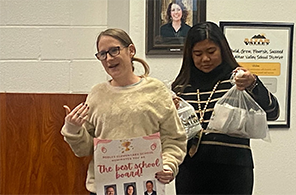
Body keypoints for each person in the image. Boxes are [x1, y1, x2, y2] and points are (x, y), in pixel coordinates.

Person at [61, 28, 187, 195]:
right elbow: (86, 149)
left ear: (131, 50)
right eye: (102, 54)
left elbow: (174, 138)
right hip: (105, 189)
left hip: (146, 187)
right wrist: (73, 129)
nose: (109, 58)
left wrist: (168, 165)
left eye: (114, 50)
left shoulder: (156, 90)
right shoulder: (97, 94)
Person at [171, 21, 280, 195]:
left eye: (211, 51)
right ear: (189, 55)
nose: (205, 59)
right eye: (197, 53)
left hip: (234, 170)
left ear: (223, 49)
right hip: (191, 170)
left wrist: (253, 84)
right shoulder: (180, 88)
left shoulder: (239, 80)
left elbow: (273, 112)